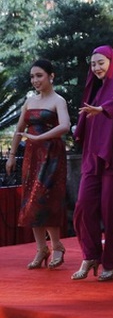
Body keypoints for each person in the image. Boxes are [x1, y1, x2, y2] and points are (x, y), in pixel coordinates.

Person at [72, 46, 113, 281]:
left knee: (111, 213)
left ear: (112, 62)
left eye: (101, 62)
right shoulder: (93, 92)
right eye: (94, 64)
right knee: (83, 206)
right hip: (92, 159)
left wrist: (103, 109)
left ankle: (109, 263)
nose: (97, 67)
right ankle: (91, 255)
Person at [6, 59, 70, 270]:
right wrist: (12, 155)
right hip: (32, 156)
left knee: (46, 199)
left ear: (51, 76)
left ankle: (57, 245)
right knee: (30, 200)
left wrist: (39, 139)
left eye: (39, 75)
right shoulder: (30, 101)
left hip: (52, 155)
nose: (35, 80)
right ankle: (41, 249)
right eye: (32, 76)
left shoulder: (58, 100)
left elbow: (65, 126)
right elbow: (19, 128)